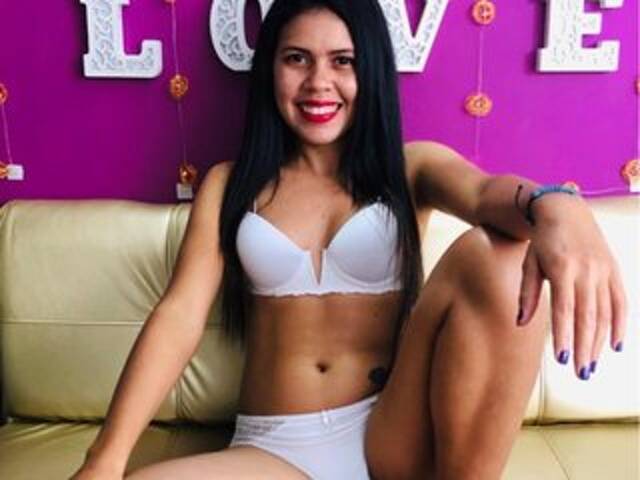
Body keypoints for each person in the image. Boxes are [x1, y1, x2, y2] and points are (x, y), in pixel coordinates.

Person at [71, 0, 627, 479]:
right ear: (270, 70)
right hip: (274, 447)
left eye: (343, 61)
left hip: (393, 436)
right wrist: (104, 460)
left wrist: (557, 206)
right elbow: (180, 315)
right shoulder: (229, 184)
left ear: (372, 72)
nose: (319, 83)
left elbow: (485, 194)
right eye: (297, 59)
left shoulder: (410, 169)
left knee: (501, 254)